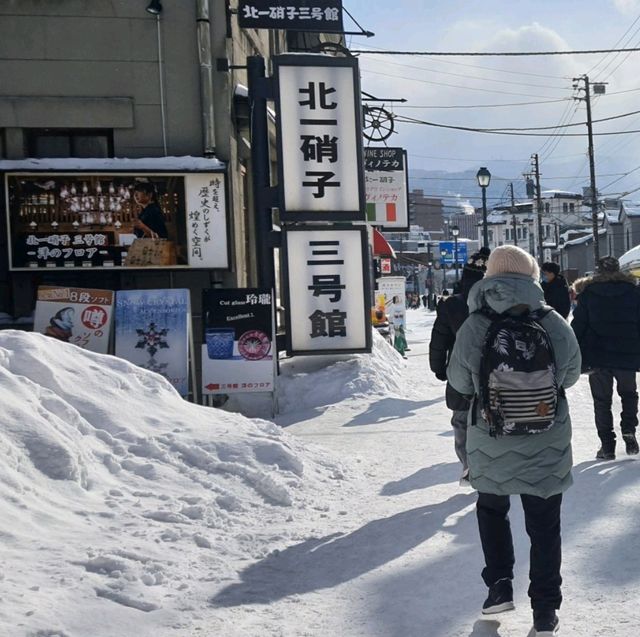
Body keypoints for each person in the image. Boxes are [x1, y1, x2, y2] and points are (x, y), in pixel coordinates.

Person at [447, 245, 581, 637]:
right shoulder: (553, 321)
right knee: (544, 525)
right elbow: (571, 375)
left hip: (490, 434)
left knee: (491, 509)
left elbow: (458, 381)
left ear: (490, 277)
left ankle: (499, 586)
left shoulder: (476, 323)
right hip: (546, 435)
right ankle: (544, 611)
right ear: (532, 276)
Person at [429, 247, 490, 483]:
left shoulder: (451, 304)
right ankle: (492, 464)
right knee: (494, 414)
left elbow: (439, 340)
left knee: (462, 419)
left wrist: (438, 368)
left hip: (459, 370)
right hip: (496, 368)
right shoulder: (496, 300)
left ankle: (468, 466)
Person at [571, 256, 640, 459]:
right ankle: (629, 429)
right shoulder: (633, 293)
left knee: (602, 401)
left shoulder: (589, 294)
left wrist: (575, 351)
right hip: (627, 354)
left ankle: (607, 446)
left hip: (597, 355)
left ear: (597, 272)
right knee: (629, 394)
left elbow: (579, 326)